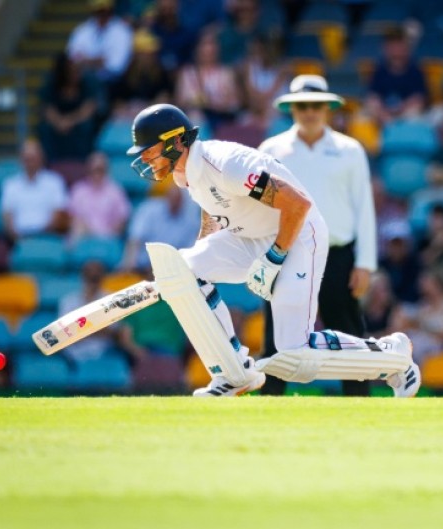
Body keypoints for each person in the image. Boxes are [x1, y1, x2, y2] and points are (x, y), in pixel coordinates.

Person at [125, 103, 419, 398]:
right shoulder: (187, 172)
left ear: (177, 141)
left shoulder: (226, 164)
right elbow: (212, 207)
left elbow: (296, 204)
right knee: (183, 271)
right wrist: (193, 272)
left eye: (150, 150)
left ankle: (391, 356)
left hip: (297, 234)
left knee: (294, 352)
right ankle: (234, 372)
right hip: (248, 237)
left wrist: (274, 257)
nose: (146, 159)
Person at [258, 75, 379, 396]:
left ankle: (360, 407)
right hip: (286, 253)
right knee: (276, 337)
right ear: (292, 109)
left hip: (338, 256)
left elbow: (364, 208)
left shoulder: (350, 150)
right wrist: (263, 258)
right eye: (302, 106)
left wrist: (365, 264)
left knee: (349, 336)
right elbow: (260, 209)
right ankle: (268, 406)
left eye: (315, 105)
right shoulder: (271, 150)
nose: (309, 112)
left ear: (327, 108)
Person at [0, 139, 70, 241]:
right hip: (18, 239)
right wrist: (19, 239)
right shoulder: (10, 185)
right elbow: (7, 217)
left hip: (47, 238)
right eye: (26, 158)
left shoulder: (55, 182)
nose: (30, 162)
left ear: (41, 158)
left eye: (33, 158)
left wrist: (40, 237)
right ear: (21, 159)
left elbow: (58, 215)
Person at [121, 184, 200, 273]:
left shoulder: (191, 222)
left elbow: (188, 251)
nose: (173, 201)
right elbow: (135, 240)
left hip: (170, 269)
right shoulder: (149, 210)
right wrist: (129, 265)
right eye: (171, 197)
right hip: (140, 267)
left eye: (177, 199)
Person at [38, 52, 100, 162]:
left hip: (78, 123)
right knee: (45, 128)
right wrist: (59, 122)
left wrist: (69, 121)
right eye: (72, 70)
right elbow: (48, 109)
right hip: (57, 124)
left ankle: (83, 162)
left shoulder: (87, 84)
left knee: (87, 127)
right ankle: (50, 162)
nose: (76, 73)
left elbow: (88, 110)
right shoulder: (52, 85)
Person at [365, 27, 428, 125]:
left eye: (399, 45)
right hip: (384, 113)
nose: (395, 50)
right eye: (392, 45)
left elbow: (418, 99)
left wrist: (401, 111)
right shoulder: (380, 70)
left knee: (414, 113)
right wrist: (383, 113)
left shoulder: (414, 70)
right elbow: (373, 97)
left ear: (406, 47)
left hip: (406, 113)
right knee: (366, 112)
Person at [67, 151, 131, 241]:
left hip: (108, 237)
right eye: (93, 170)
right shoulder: (78, 190)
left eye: (100, 170)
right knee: (78, 228)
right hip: (84, 236)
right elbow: (71, 217)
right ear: (87, 170)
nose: (96, 173)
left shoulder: (116, 191)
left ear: (106, 170)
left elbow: (122, 219)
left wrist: (106, 235)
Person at [66, 0, 134, 84]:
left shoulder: (122, 30)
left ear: (111, 11)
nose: (102, 15)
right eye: (98, 11)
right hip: (83, 78)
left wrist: (88, 61)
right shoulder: (82, 30)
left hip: (112, 80)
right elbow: (73, 56)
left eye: (105, 12)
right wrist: (97, 61)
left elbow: (117, 64)